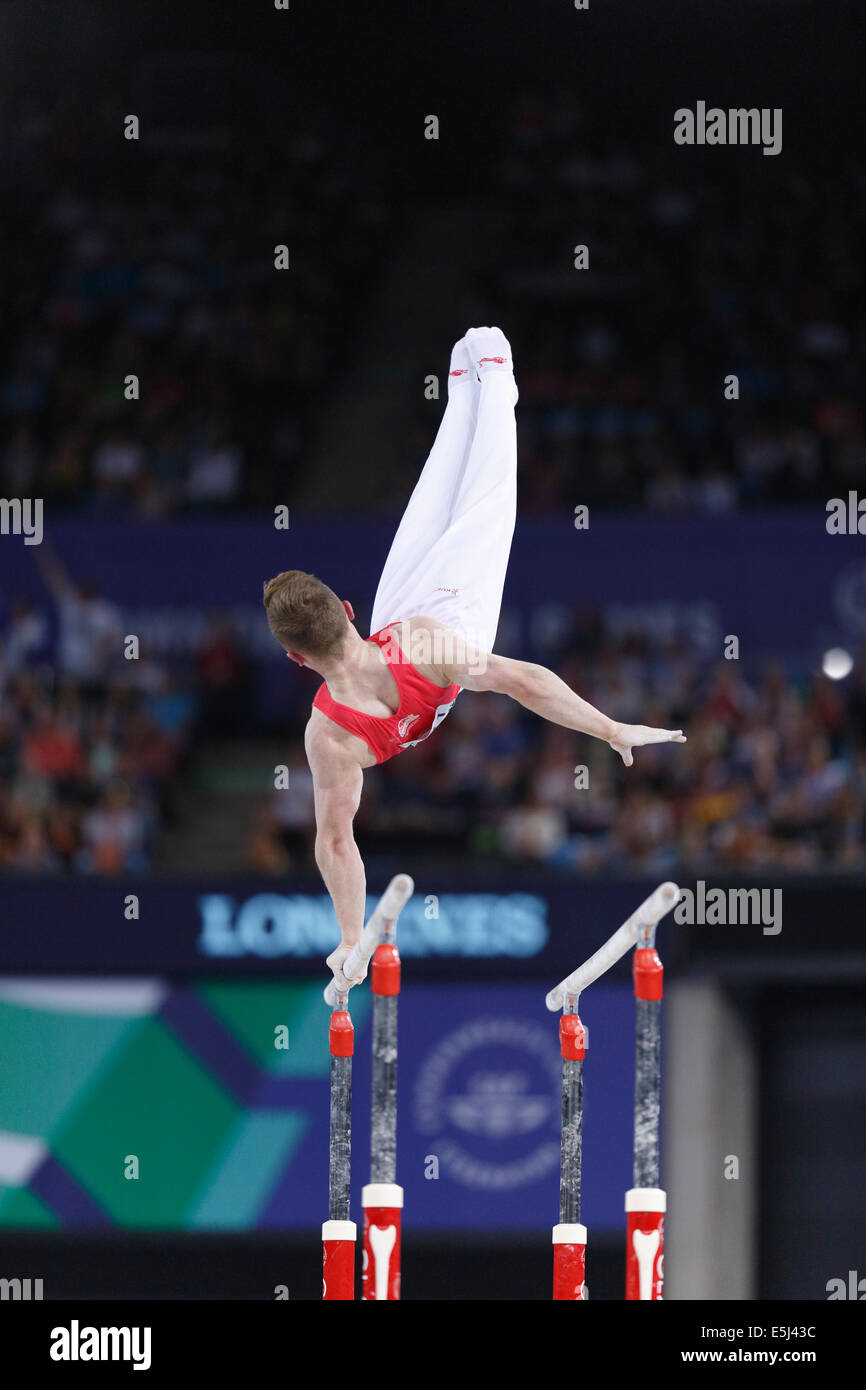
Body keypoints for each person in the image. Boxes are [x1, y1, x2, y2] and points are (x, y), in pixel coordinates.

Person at [262, 328, 686, 994]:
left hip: (443, 624)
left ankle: (491, 368)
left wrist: (350, 934)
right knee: (448, 496)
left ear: (293, 656)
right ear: (345, 608)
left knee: (485, 498)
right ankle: (472, 373)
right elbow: (522, 683)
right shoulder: (406, 654)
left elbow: (336, 841)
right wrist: (608, 728)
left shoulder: (330, 734)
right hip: (409, 637)